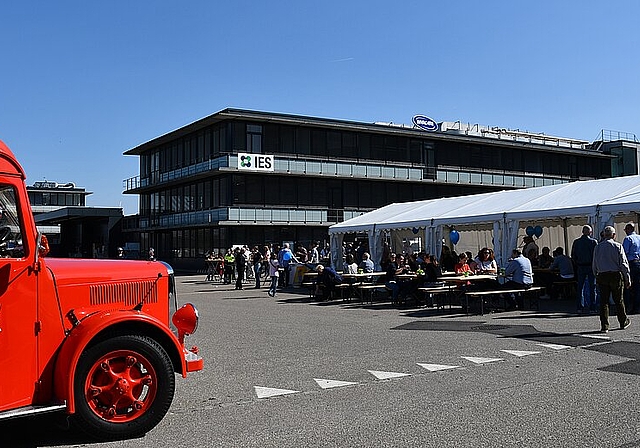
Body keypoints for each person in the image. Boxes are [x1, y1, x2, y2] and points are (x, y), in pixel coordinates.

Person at [593, 226, 631, 333]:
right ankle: (623, 321)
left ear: (604, 235)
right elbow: (623, 263)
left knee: (604, 302)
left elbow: (594, 263)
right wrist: (627, 277)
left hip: (602, 275)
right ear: (614, 235)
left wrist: (596, 275)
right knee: (619, 300)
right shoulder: (618, 246)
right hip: (615, 275)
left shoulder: (598, 247)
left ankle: (604, 325)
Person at [571, 225, 598, 313]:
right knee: (592, 287)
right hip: (590, 266)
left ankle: (580, 307)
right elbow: (596, 255)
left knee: (580, 287)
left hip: (580, 266)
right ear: (590, 232)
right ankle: (592, 307)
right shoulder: (593, 242)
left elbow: (573, 255)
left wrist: (577, 263)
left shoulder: (576, 242)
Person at [622, 223, 640, 314]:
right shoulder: (639, 237)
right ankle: (637, 306)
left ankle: (628, 307)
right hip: (639, 262)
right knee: (638, 286)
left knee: (628, 285)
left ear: (628, 229)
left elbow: (624, 252)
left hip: (631, 263)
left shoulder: (628, 239)